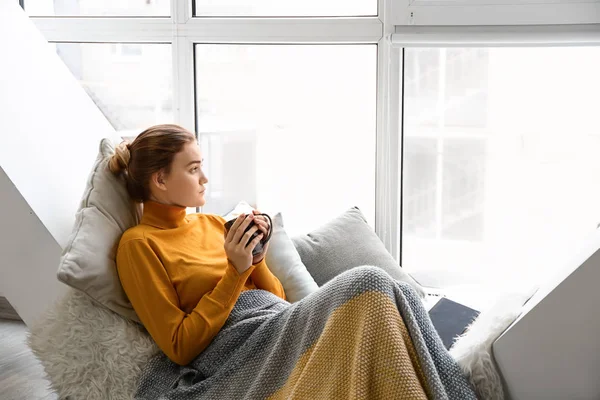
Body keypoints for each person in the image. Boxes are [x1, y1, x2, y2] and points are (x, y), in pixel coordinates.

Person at [109, 124, 286, 367]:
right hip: (237, 350)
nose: (204, 178)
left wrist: (256, 260)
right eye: (194, 169)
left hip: (277, 325)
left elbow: (279, 303)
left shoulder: (213, 223)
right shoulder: (139, 244)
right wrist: (235, 273)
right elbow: (179, 347)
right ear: (160, 179)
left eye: (201, 165)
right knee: (356, 283)